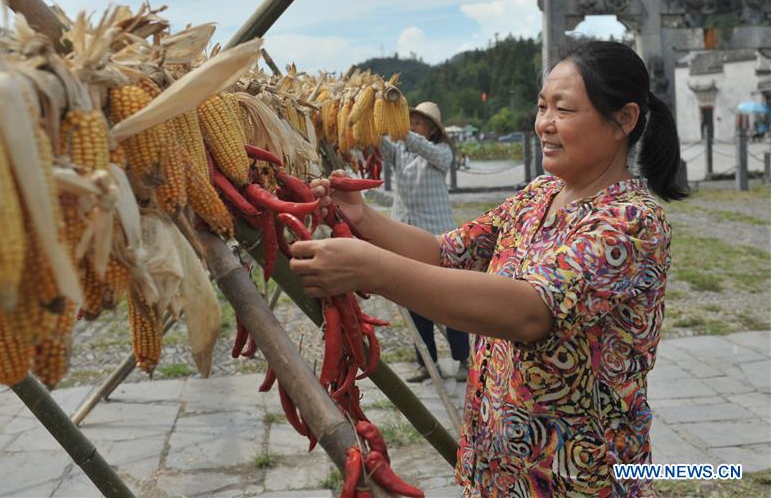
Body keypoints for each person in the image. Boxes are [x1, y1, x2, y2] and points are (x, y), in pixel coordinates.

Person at [291, 41, 687, 496]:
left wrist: (373, 271)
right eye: (541, 107)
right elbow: (445, 253)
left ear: (624, 120)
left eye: (564, 109)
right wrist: (363, 218)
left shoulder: (631, 221)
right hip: (497, 468)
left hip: (575, 477)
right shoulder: (540, 194)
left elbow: (530, 311)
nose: (545, 124)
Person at [379, 100, 470, 382]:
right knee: (415, 302)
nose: (413, 127)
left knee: (450, 301)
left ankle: (463, 361)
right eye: (411, 122)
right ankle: (427, 363)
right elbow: (378, 145)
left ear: (432, 130)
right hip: (406, 235)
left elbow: (429, 152)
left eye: (419, 123)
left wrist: (403, 134)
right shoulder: (400, 151)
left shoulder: (441, 152)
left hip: (438, 237)